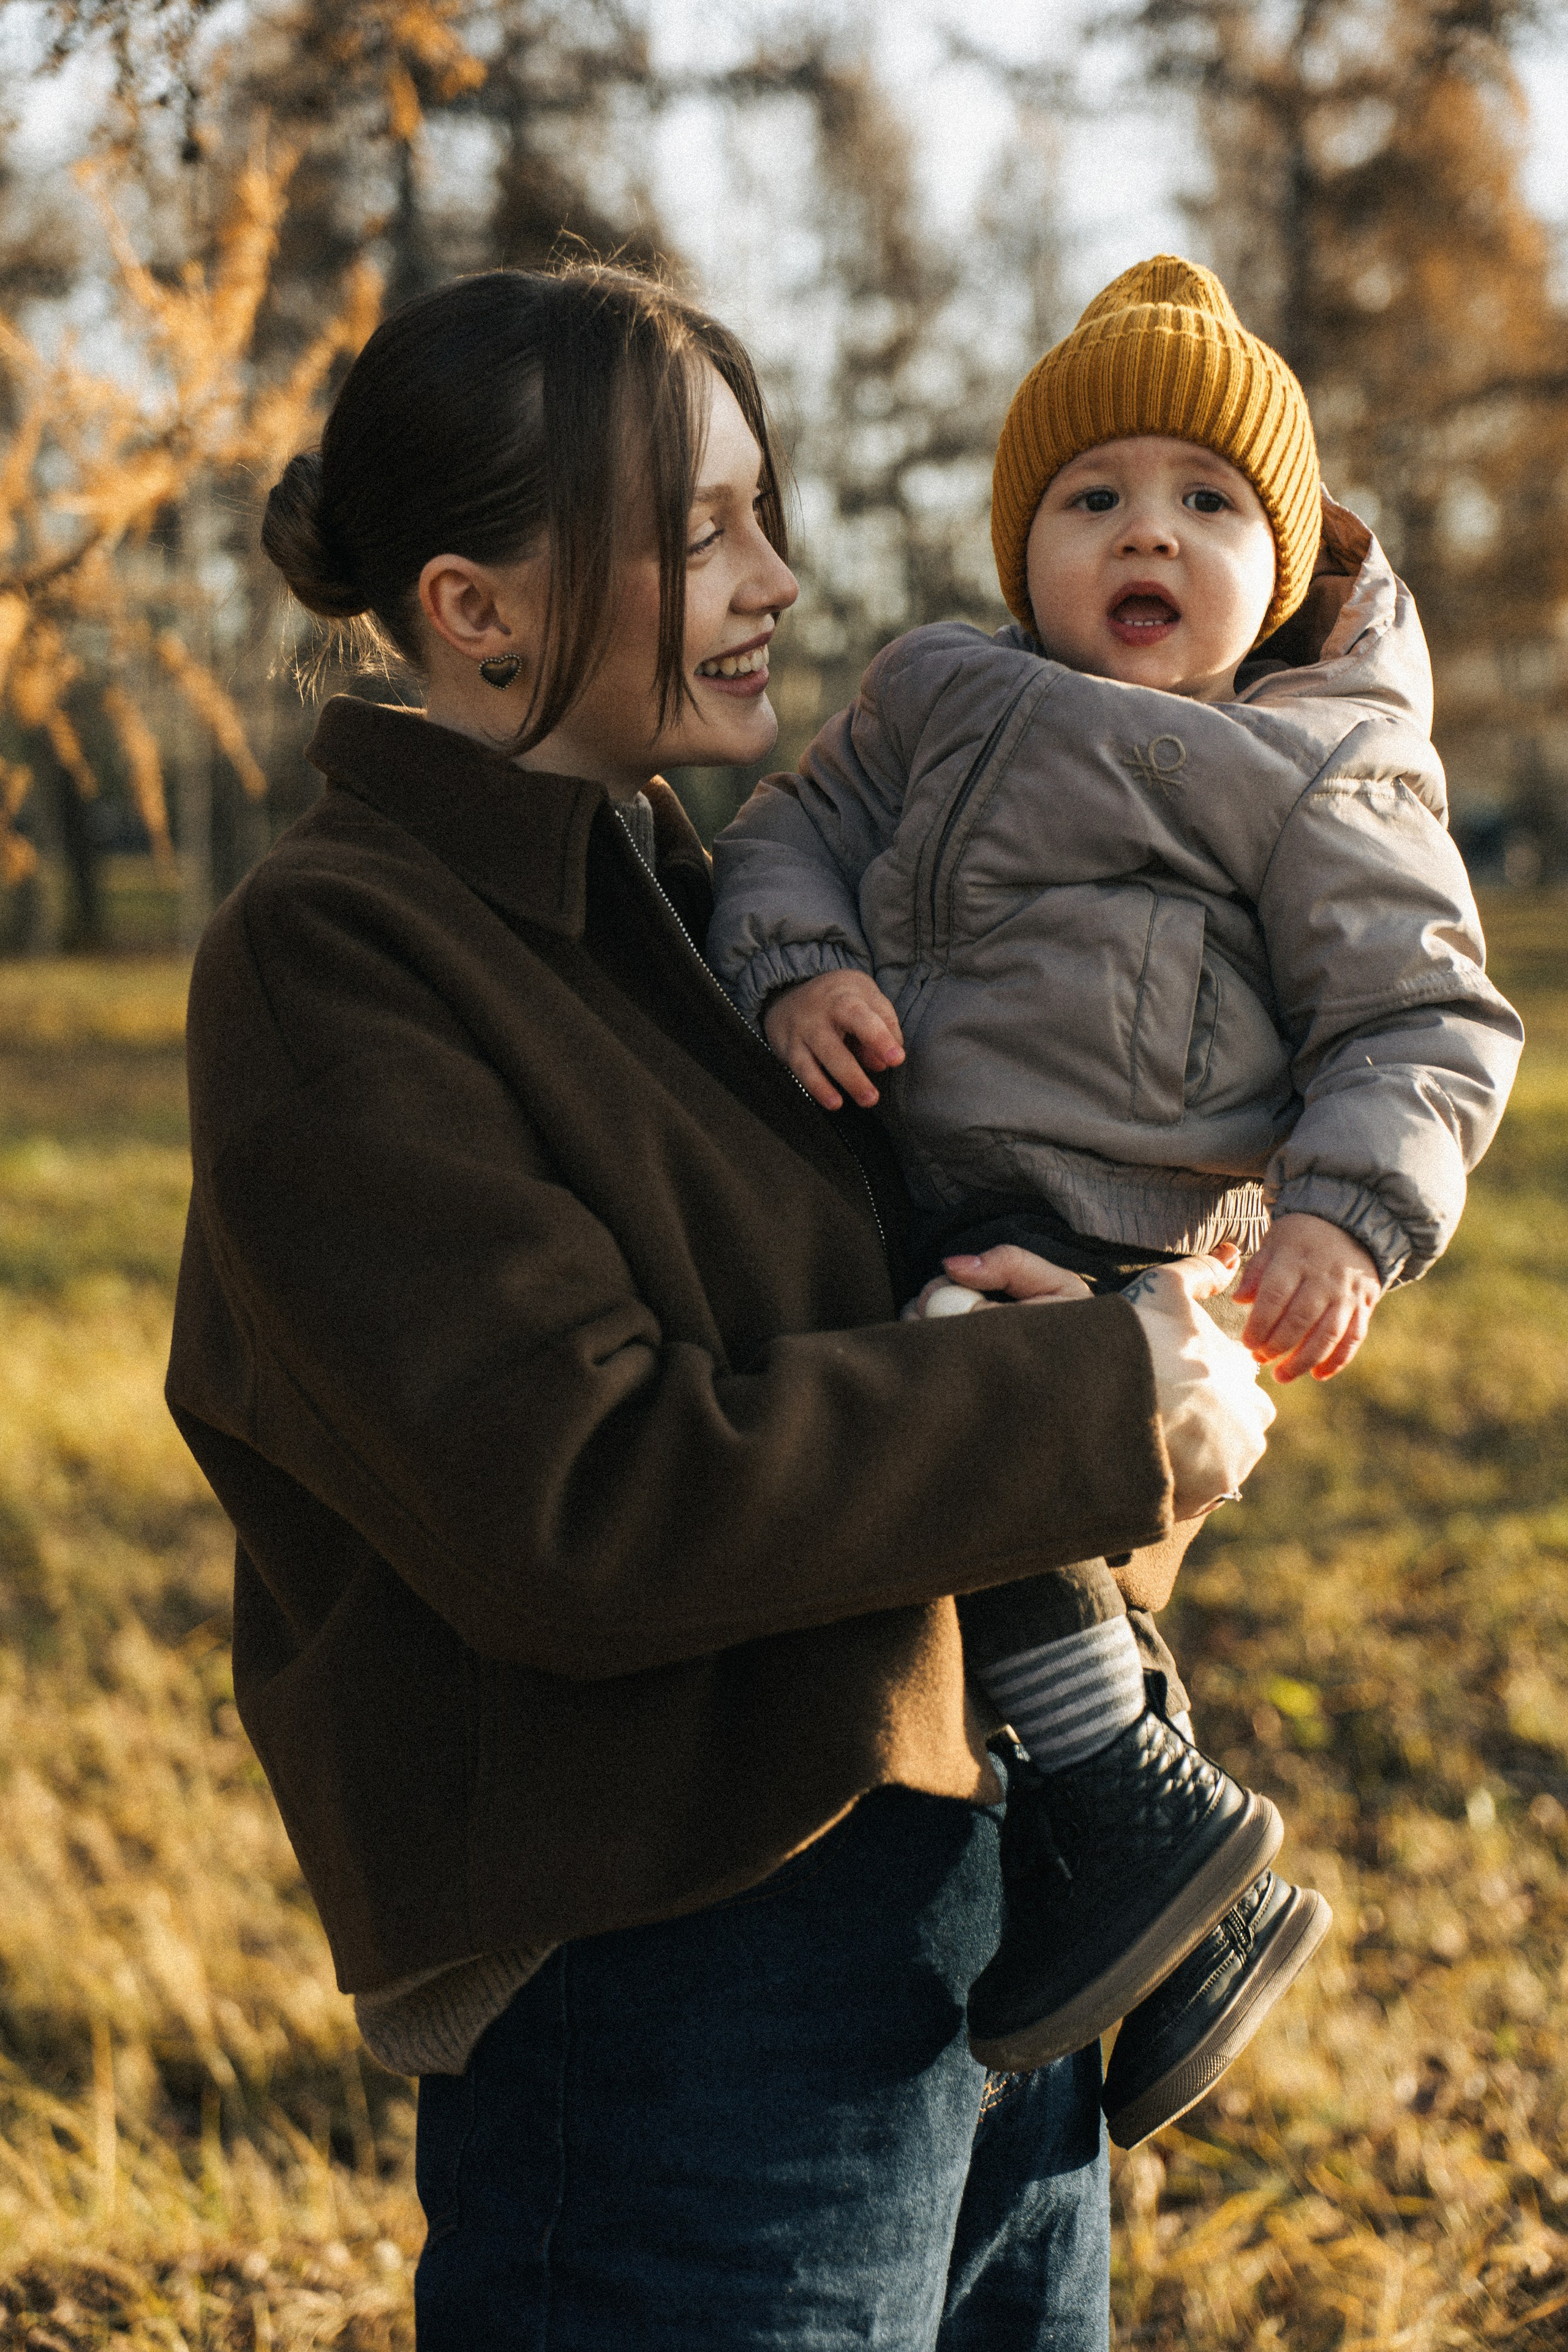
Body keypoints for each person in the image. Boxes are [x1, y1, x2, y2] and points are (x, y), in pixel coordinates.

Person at [164, 262, 1274, 2350]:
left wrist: (1130, 1338)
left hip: (995, 1941)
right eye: (700, 533)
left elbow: (950, 1375)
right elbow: (575, 1502)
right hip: (677, 1984)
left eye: (765, 515)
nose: (779, 577)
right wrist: (1090, 1405)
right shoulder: (342, 955)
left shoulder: (719, 909)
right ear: (472, 606)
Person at [707, 253, 1524, 2144]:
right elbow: (786, 835)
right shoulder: (934, 691)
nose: (1145, 531)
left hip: (1124, 1207)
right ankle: (1171, 1940)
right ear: (1027, 552)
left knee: (983, 1412)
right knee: (943, 1485)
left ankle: (1140, 1822)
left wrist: (1342, 1213)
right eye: (1094, 500)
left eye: (1208, 502)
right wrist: (799, 964)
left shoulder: (1322, 756)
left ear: (1286, 548)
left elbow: (1422, 1013)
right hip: (911, 1160)